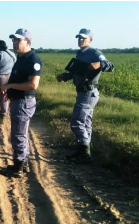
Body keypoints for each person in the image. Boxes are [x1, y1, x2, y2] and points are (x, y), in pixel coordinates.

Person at [56, 28, 114, 164]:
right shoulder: (80, 54)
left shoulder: (94, 53)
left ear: (90, 40)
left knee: (77, 121)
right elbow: (77, 72)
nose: (80, 40)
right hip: (83, 92)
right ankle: (85, 151)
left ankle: (84, 152)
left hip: (89, 92)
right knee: (86, 122)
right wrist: (64, 76)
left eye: (84, 38)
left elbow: (110, 66)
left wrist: (99, 64)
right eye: (79, 38)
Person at [0, 29, 42, 178]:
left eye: (18, 40)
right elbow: (17, 79)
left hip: (24, 102)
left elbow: (33, 85)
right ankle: (23, 164)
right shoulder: (21, 58)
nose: (14, 43)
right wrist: (10, 93)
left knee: (18, 135)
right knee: (20, 133)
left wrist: (9, 86)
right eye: (13, 40)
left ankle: (18, 167)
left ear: (28, 42)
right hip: (18, 100)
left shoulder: (33, 60)